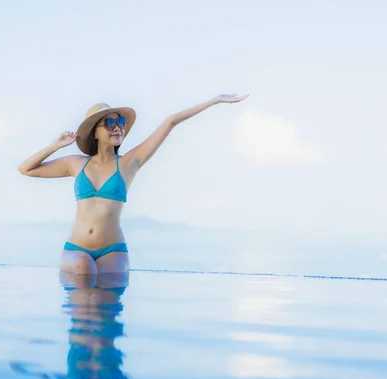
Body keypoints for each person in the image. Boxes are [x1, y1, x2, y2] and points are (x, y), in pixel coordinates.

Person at [18, 93, 248, 274]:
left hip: (113, 251)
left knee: (106, 312)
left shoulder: (130, 162)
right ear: (94, 133)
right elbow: (26, 169)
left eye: (120, 122)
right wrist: (54, 146)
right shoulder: (76, 164)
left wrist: (215, 101)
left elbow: (171, 122)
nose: (117, 126)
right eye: (109, 122)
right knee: (82, 267)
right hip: (77, 249)